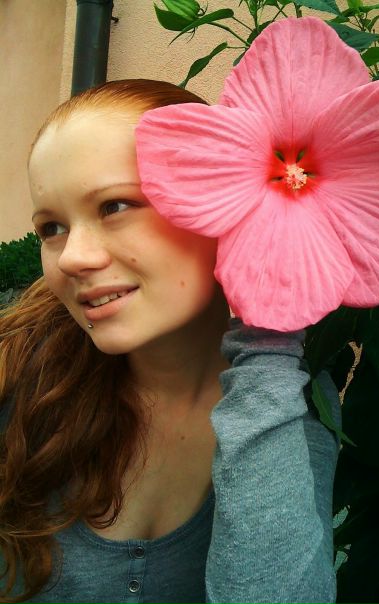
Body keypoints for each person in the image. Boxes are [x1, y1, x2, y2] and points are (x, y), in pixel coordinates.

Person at [0, 79, 341, 603]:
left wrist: (268, 322)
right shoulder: (15, 373)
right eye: (52, 228)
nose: (72, 258)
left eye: (115, 206)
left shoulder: (292, 398)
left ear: (225, 206)